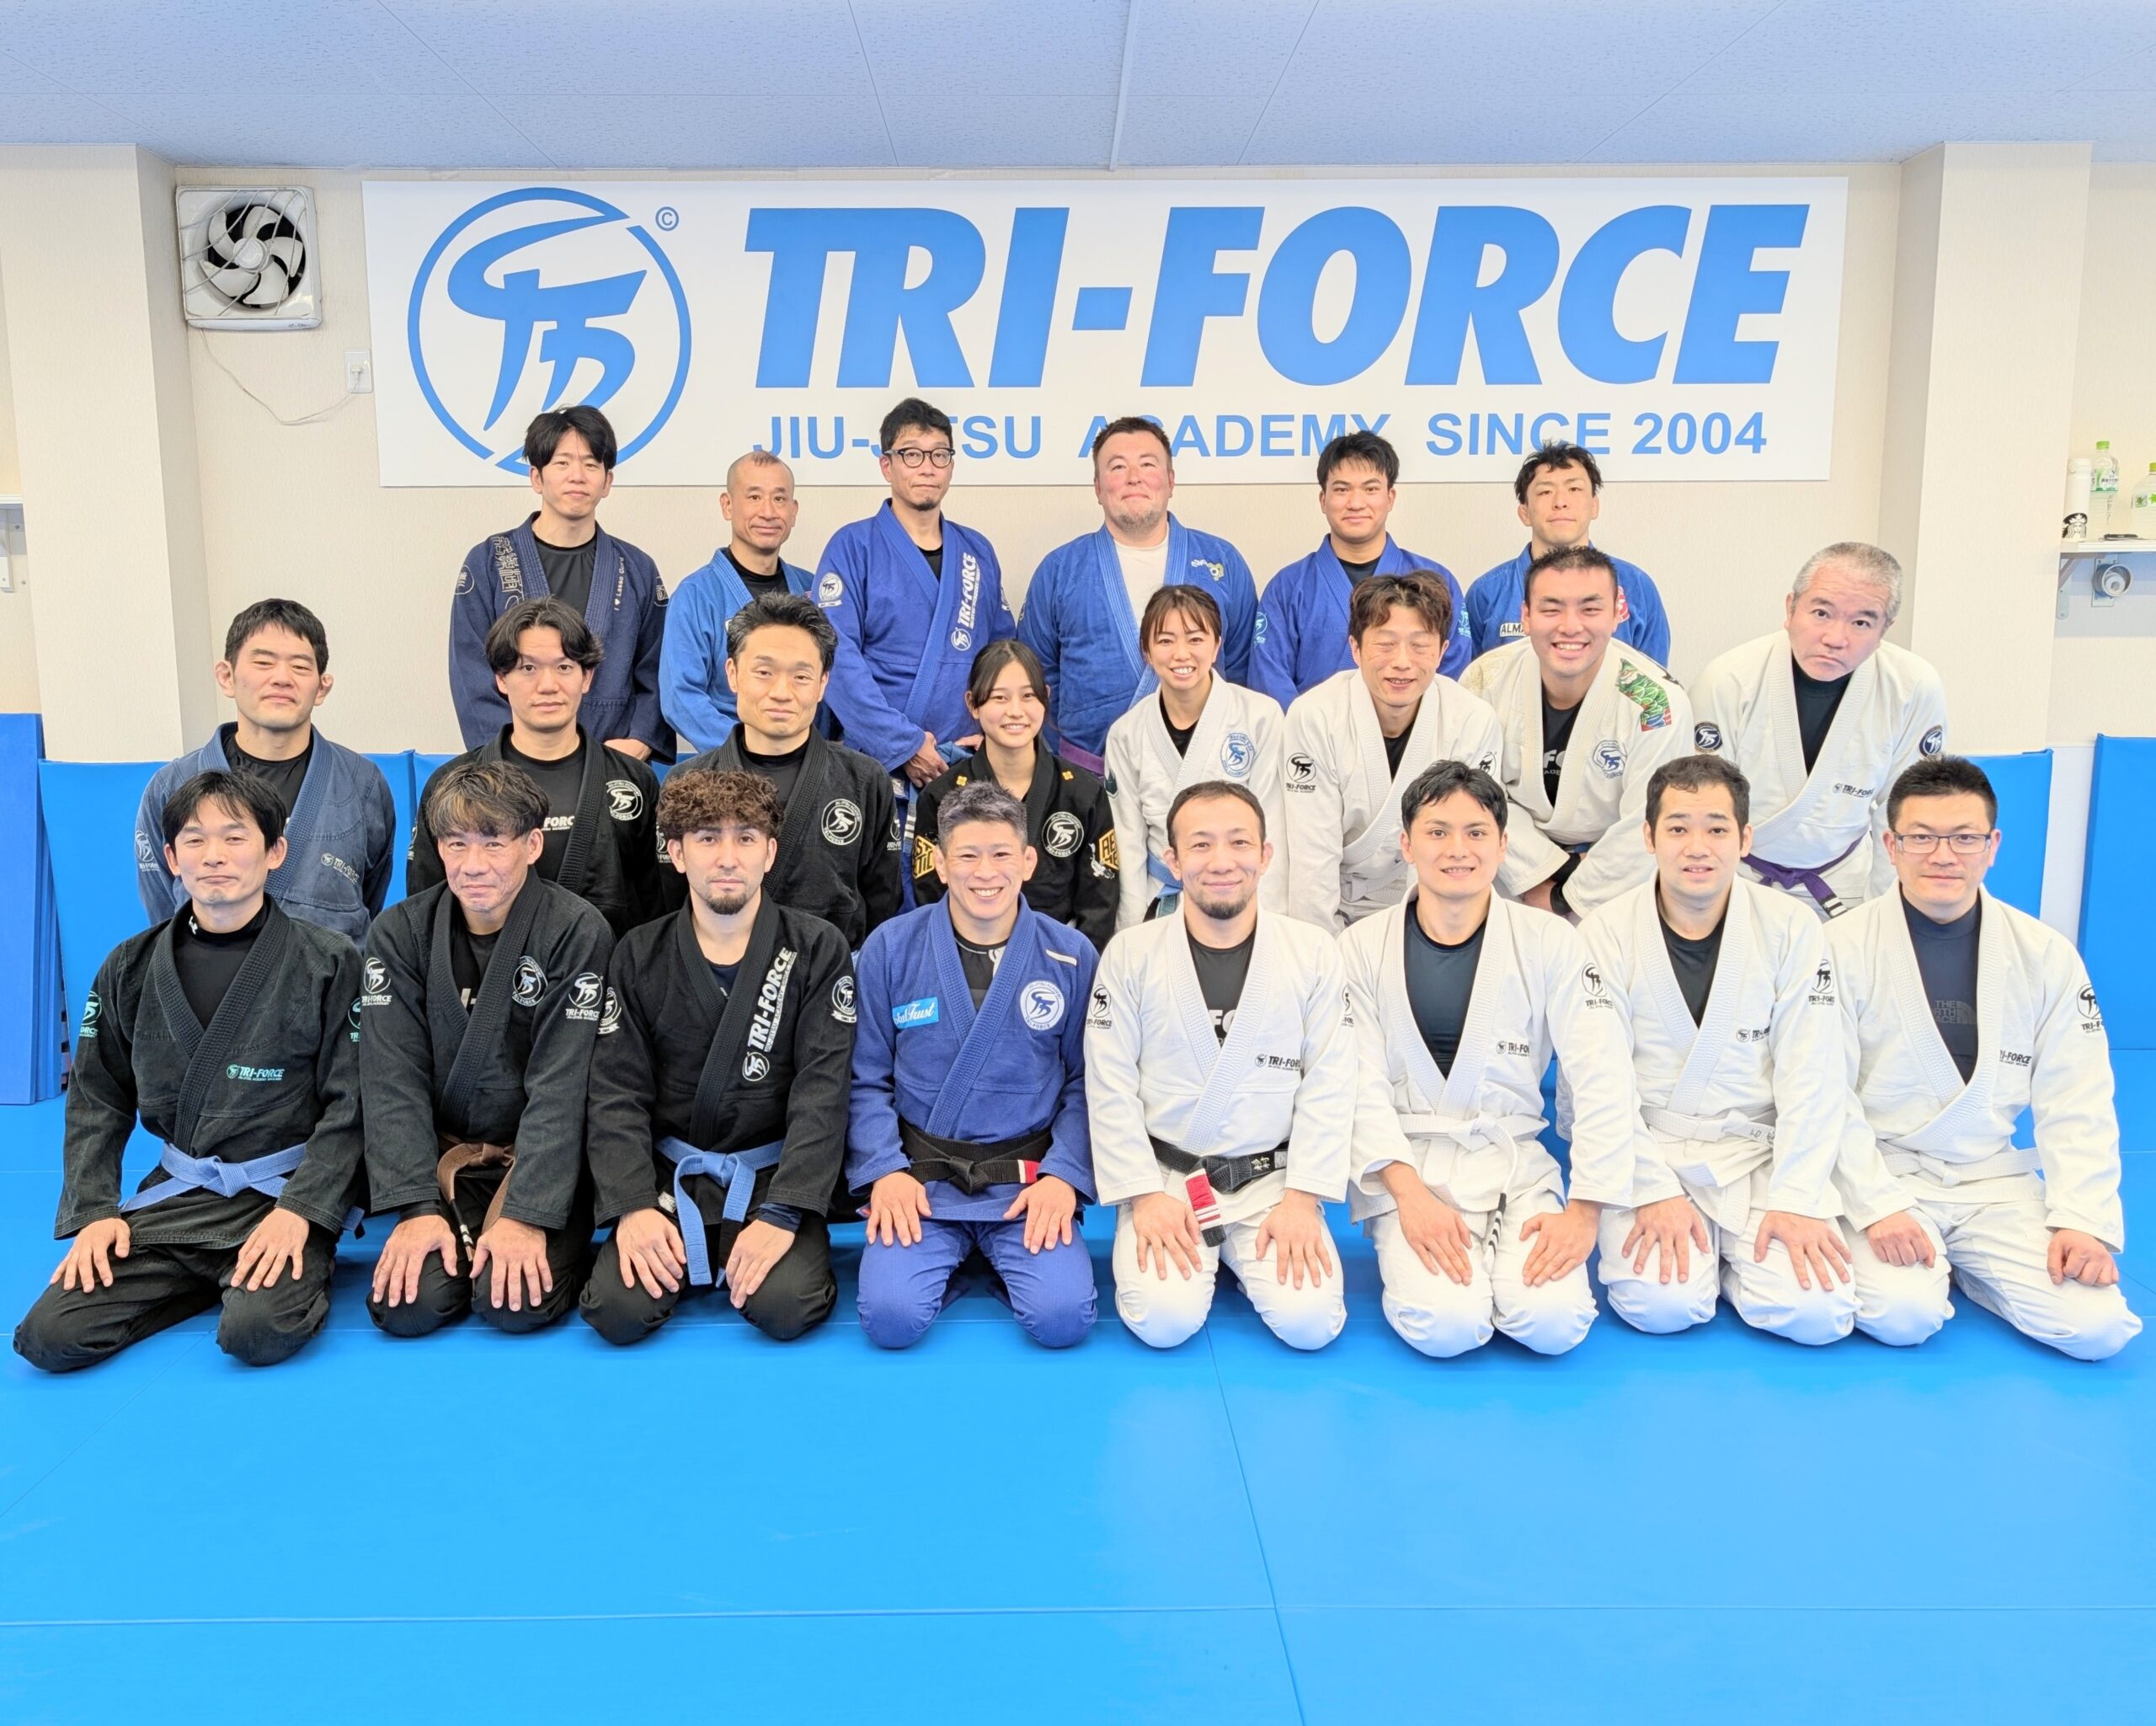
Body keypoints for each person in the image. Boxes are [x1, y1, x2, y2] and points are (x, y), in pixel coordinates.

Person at [15, 772, 363, 1372]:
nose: (214, 855)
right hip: (179, 1199)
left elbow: (351, 1102)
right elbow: (97, 1099)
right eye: (195, 840)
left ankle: (285, 1269)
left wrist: (305, 1213)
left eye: (235, 837)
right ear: (173, 859)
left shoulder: (329, 961)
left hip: (279, 1195)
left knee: (257, 1332)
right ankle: (214, 1280)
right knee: (50, 1336)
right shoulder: (129, 966)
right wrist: (95, 1212)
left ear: (275, 851)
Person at [1828, 757, 2140, 1360]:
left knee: (2096, 1328)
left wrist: (2081, 1220)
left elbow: (2078, 1097)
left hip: (1991, 1180)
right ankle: (1934, 1265)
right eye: (1921, 837)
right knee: (1904, 1314)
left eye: (1965, 837)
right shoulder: (1838, 948)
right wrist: (1876, 1206)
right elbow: (1822, 1091)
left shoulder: (2045, 954)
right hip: (1883, 1174)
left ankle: (1970, 1268)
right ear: (1891, 846)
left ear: (1992, 846)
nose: (1943, 855)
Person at [1340, 762, 1637, 1358]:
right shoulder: (1360, 946)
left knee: (1554, 1324)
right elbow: (1356, 1084)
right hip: (1412, 1169)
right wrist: (1408, 1197)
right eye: (1437, 832)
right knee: (1447, 1327)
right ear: (1407, 845)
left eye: (1476, 833)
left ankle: (1499, 1262)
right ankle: (1441, 1264)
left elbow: (1603, 1075)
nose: (1458, 849)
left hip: (1514, 1167)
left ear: (1503, 846)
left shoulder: (1551, 941)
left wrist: (1585, 1211)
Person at [1578, 754, 1859, 1344]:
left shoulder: (1792, 927)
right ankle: (1715, 1263)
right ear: (1649, 837)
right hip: (1650, 1151)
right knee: (1662, 1307)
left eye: (1717, 828)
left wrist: (1797, 1197)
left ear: (1745, 839)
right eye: (1678, 828)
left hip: (1757, 1155)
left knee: (1817, 1315)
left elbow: (1815, 1072)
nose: (1697, 847)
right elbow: (1599, 1081)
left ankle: (1733, 1265)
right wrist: (1652, 1189)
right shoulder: (1605, 931)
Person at [579, 769, 853, 1347]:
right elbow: (616, 1094)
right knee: (616, 1311)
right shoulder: (638, 954)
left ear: (769, 853)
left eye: (745, 838)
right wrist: (633, 1206)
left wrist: (784, 1212)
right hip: (670, 1176)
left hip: (772, 1174)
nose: (727, 857)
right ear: (677, 853)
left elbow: (822, 1093)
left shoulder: (817, 948)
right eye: (707, 838)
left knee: (786, 1305)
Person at [1086, 781, 1352, 1351]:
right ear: (1172, 860)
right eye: (1201, 845)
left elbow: (1330, 1083)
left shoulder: (1313, 952)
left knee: (1312, 1324)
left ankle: (1241, 1248)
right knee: (1163, 1322)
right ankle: (1205, 1249)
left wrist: (1303, 1198)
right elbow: (1109, 1085)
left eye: (1239, 842)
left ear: (1266, 854)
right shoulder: (1131, 954)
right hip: (1171, 1179)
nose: (1222, 861)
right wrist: (1144, 1196)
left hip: (1272, 1183)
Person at [360, 760, 612, 1338]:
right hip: (447, 1163)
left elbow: (562, 1086)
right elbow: (390, 1080)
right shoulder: (399, 933)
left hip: (542, 1164)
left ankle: (556, 1239)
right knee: (408, 1308)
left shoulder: (576, 930)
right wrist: (417, 1208)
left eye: (494, 843)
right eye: (457, 843)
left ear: (532, 845)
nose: (473, 864)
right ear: (439, 849)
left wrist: (525, 1214)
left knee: (514, 1304)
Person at [848, 783, 1098, 1350]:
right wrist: (885, 1170)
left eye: (1001, 854)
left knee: (1064, 1318)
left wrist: (1064, 1176)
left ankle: (989, 1258)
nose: (985, 872)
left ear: (1028, 861)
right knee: (890, 1319)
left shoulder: (1070, 955)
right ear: (940, 863)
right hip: (923, 1184)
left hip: (1025, 1186)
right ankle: (963, 1261)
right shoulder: (891, 948)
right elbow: (865, 1079)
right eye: (967, 855)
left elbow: (1086, 1083)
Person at [1690, 542, 1949, 917]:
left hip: (1846, 881)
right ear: (1790, 608)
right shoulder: (1729, 679)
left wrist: (1884, 910)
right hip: (1738, 878)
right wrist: (1704, 901)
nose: (1835, 638)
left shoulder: (1913, 686)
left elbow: (1908, 810)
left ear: (1884, 628)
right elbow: (1701, 807)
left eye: (1861, 623)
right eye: (1821, 613)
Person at [410, 599, 676, 940]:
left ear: (587, 677)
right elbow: (426, 908)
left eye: (564, 667)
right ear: (501, 678)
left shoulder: (633, 781)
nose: (548, 685)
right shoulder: (450, 785)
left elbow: (656, 913)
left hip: (605, 968)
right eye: (528, 668)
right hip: (489, 970)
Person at [135, 599, 395, 943]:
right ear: (226, 677)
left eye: (300, 666)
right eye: (263, 663)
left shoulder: (363, 785)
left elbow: (371, 897)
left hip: (328, 980)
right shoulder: (173, 786)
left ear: (322, 687)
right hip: (211, 978)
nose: (282, 678)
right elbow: (164, 913)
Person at [815, 398, 1014, 847]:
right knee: (882, 881)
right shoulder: (853, 546)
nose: (927, 467)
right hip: (878, 764)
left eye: (939, 455)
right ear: (886, 465)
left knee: (968, 876)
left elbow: (1002, 658)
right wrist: (903, 744)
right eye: (911, 454)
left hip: (962, 763)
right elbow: (835, 658)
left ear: (951, 466)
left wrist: (994, 730)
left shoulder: (977, 551)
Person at [1461, 545, 1692, 919]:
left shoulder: (1656, 702)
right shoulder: (1485, 679)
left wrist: (1565, 898)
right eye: (1551, 609)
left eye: (1590, 609)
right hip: (1508, 873)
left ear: (1617, 614)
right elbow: (1474, 794)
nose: (1570, 626)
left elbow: (1649, 820)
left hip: (1616, 883)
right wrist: (1540, 878)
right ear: (1526, 616)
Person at [1016, 416, 1257, 769]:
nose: (1134, 477)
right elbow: (1035, 676)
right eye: (1117, 467)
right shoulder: (1060, 570)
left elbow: (1242, 669)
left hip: (1204, 770)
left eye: (1147, 464)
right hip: (1089, 774)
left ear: (1171, 480)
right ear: (1098, 487)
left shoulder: (1221, 562)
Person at [1280, 573, 1502, 931]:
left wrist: (1427, 940)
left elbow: (1465, 843)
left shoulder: (1471, 719)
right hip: (1339, 902)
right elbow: (1312, 854)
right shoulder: (1315, 716)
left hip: (1435, 906)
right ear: (1355, 648)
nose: (1402, 662)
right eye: (1385, 644)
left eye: (1420, 645)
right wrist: (1320, 948)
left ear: (1442, 651)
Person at [679, 593, 901, 949]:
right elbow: (670, 899)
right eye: (764, 673)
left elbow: (882, 902)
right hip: (718, 971)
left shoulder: (865, 780)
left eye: (801, 676)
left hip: (831, 972)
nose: (781, 692)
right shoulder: (689, 782)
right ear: (732, 674)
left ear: (823, 683)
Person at [449, 405, 670, 759]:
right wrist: (510, 754)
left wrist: (639, 742)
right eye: (562, 463)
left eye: (591, 464)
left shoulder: (637, 568)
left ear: (607, 482)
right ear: (537, 478)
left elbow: (658, 669)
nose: (577, 476)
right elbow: (471, 673)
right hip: (516, 764)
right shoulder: (489, 562)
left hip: (614, 758)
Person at [913, 641, 1117, 950]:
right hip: (966, 955)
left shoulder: (1083, 793)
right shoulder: (941, 796)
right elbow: (930, 894)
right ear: (973, 703)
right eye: (1000, 697)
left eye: (1028, 696)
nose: (1016, 711)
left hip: (1058, 957)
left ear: (1046, 697)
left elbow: (1100, 903)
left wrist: (1076, 963)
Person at [1103, 585, 1286, 930]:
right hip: (1162, 896)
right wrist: (1131, 931)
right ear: (1147, 651)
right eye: (1165, 640)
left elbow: (1272, 825)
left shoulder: (1261, 717)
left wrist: (1269, 922)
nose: (1181, 654)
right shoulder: (1126, 734)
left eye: (1195, 639)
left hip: (1240, 891)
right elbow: (1127, 842)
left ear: (1217, 646)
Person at [1250, 430, 1470, 708]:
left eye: (1370, 489)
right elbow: (1270, 683)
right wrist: (1308, 729)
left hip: (1415, 733)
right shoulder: (1288, 587)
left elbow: (1453, 677)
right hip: (1312, 733)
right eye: (1342, 490)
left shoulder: (1437, 581)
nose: (1355, 503)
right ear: (1323, 500)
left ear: (1390, 497)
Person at [659, 450, 816, 754]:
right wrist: (747, 752)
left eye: (779, 499)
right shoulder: (696, 595)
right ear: (727, 505)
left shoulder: (812, 590)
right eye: (754, 497)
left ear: (794, 510)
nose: (768, 512)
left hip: (808, 758)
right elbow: (680, 698)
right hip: (732, 764)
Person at [1462, 442, 1670, 663]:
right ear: (1525, 513)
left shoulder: (1636, 586)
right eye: (1545, 492)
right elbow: (1471, 679)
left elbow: (1653, 679)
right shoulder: (1487, 593)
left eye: (1574, 489)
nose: (1560, 502)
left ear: (1594, 506)